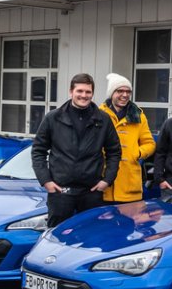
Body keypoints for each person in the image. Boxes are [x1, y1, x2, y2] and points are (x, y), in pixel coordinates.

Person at [31, 73, 122, 228]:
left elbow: (114, 152)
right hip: (60, 192)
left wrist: (106, 181)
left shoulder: (103, 119)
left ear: (92, 93)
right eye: (79, 91)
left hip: (92, 192)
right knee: (56, 239)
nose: (84, 95)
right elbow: (38, 151)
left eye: (88, 92)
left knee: (92, 239)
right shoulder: (53, 118)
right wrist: (46, 181)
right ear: (71, 92)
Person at [99, 73, 156, 203]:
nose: (125, 95)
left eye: (128, 92)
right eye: (120, 91)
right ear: (111, 93)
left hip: (130, 187)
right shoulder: (99, 114)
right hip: (104, 186)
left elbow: (150, 143)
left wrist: (137, 153)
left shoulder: (138, 116)